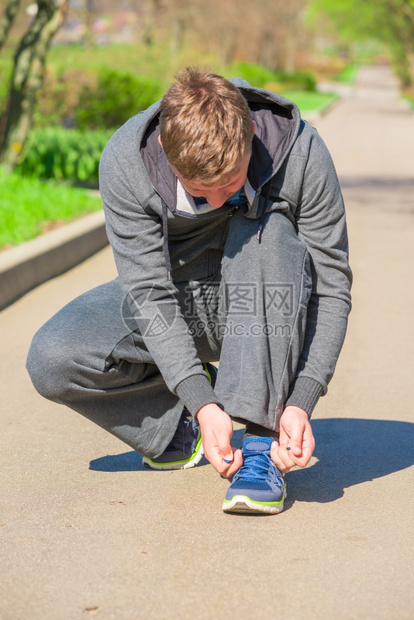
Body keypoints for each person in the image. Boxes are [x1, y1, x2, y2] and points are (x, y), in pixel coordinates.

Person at [26, 67, 352, 515]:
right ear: (165, 147)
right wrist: (200, 401)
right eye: (202, 192)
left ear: (250, 133)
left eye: (231, 185)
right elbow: (148, 293)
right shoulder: (126, 162)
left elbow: (332, 286)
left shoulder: (300, 150)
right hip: (180, 299)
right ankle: (180, 428)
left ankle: (262, 444)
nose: (218, 201)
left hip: (269, 303)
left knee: (268, 230)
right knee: (54, 357)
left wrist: (301, 400)